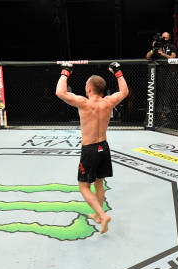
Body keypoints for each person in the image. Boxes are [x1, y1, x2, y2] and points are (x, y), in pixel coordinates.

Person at [55, 62, 129, 234]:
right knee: (99, 182)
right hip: (104, 147)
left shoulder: (84, 103)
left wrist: (65, 72)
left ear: (89, 89)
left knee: (83, 186)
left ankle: (102, 215)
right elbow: (124, 92)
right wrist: (118, 72)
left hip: (89, 150)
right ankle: (98, 214)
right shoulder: (108, 102)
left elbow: (60, 92)